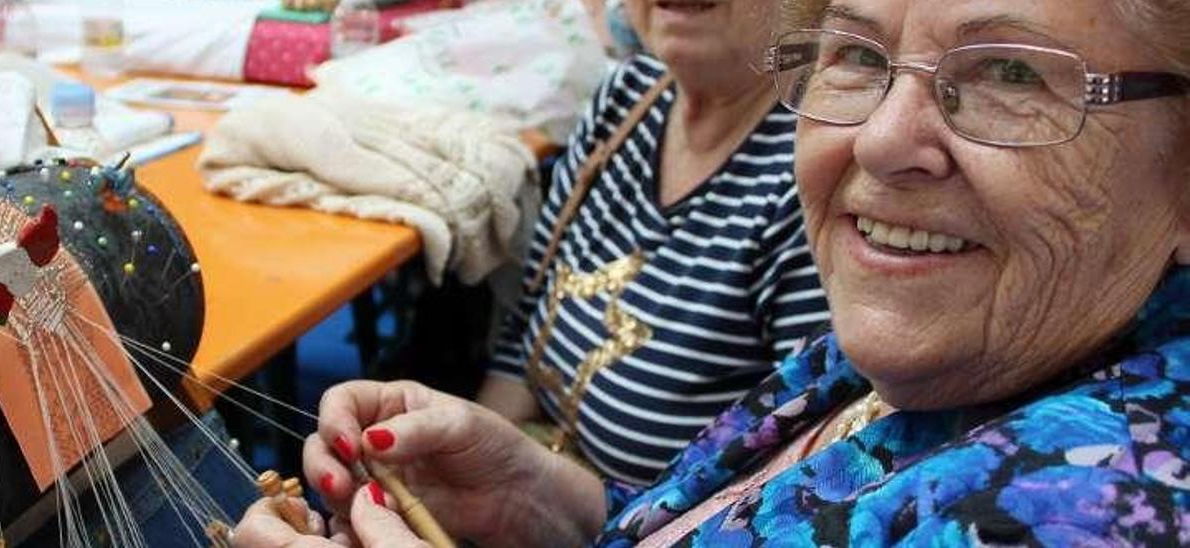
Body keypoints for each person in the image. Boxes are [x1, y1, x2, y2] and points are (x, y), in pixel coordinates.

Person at [234, 0, 1190, 545]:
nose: (885, 139)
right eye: (858, 54)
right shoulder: (931, 340)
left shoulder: (1081, 512)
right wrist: (543, 504)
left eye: (1009, 74)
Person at [476, 0, 829, 485]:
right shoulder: (626, 98)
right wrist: (468, 458)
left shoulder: (813, 177)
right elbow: (523, 331)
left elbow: (788, 484)